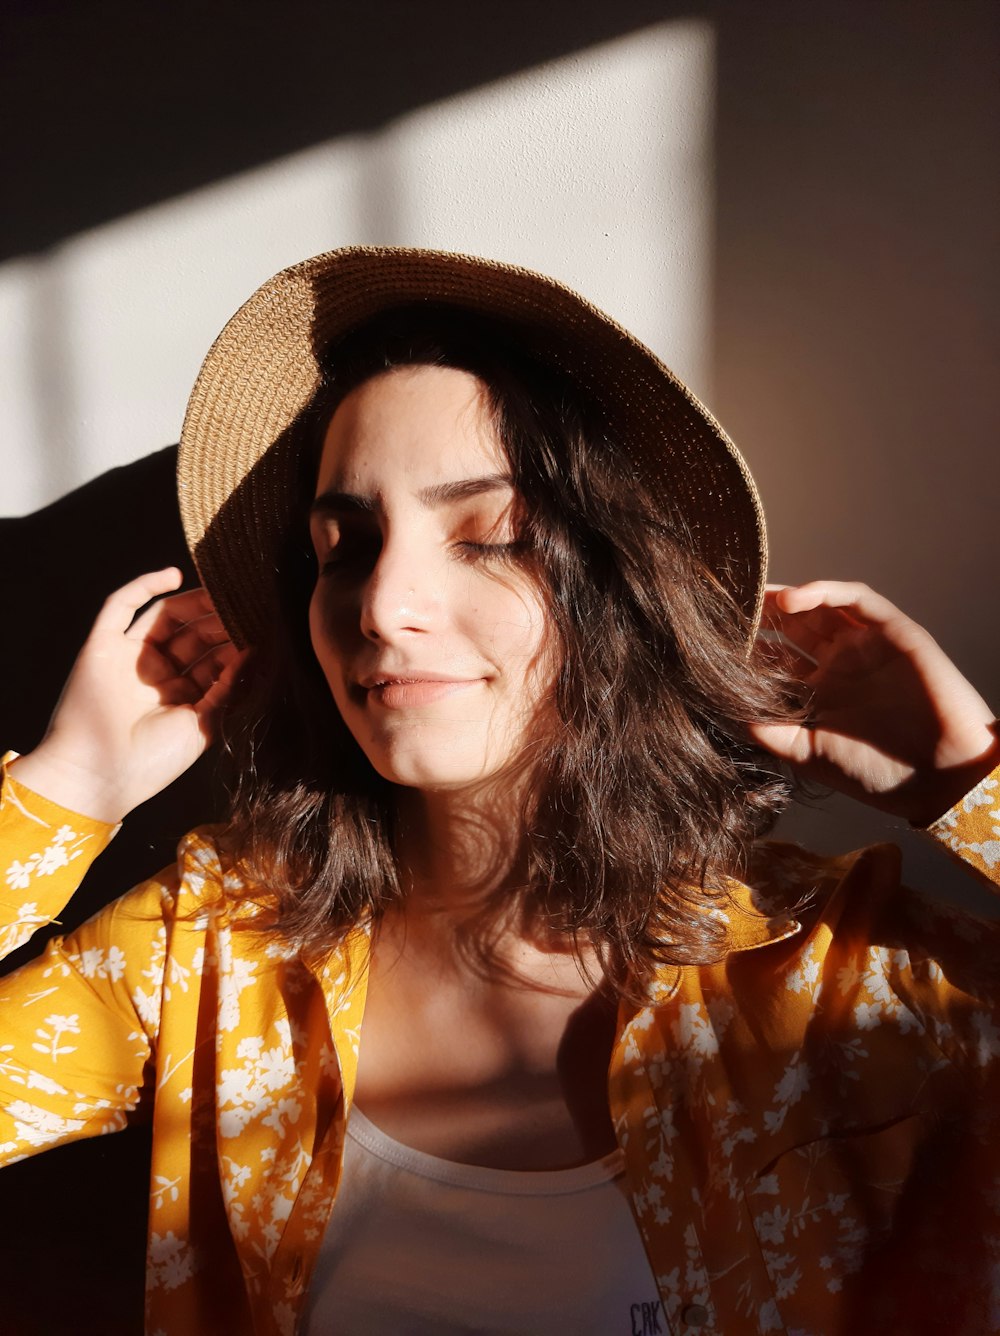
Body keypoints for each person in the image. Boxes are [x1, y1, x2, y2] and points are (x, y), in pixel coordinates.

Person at [1, 247, 998, 1336]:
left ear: (617, 586)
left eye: (490, 538)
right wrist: (65, 792)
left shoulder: (833, 975)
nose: (382, 603)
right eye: (343, 548)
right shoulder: (216, 940)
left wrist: (966, 782)